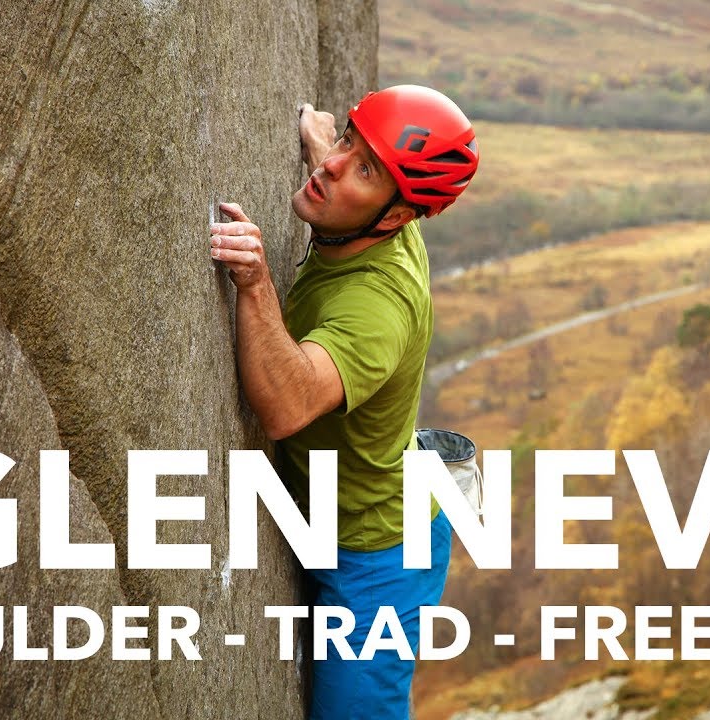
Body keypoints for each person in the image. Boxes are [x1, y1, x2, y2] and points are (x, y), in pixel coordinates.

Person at [208, 84, 478, 719]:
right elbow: (353, 164)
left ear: (394, 219)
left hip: (378, 558)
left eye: (363, 170)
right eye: (353, 142)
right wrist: (333, 145)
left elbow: (287, 403)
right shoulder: (378, 214)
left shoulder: (376, 311)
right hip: (349, 503)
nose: (333, 167)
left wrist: (255, 284)